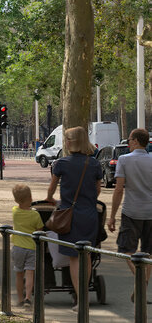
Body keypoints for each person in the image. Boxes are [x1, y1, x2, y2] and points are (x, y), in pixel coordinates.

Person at [45, 126, 103, 310]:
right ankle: (84, 295)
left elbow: (51, 189)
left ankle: (81, 299)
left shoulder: (61, 163)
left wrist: (51, 199)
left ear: (70, 142)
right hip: (89, 215)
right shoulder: (93, 163)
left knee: (73, 258)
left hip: (69, 215)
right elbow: (98, 190)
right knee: (85, 255)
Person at [108, 128, 152, 300]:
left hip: (131, 211)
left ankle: (139, 279)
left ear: (135, 141)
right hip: (151, 212)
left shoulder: (124, 160)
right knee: (149, 251)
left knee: (126, 249)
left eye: (129, 140)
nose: (128, 143)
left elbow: (119, 189)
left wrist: (112, 216)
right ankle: (144, 281)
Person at [11, 184, 43, 309]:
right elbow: (39, 228)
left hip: (18, 247)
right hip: (31, 247)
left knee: (19, 273)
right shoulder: (35, 215)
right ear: (30, 197)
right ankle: (28, 297)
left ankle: (19, 298)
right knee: (30, 273)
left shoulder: (15, 211)